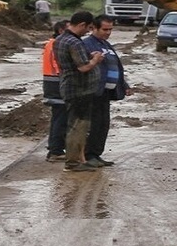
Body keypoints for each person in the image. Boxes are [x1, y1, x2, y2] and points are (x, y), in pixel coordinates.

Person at [53, 10, 104, 173]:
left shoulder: (60, 39)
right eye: (88, 28)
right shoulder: (74, 42)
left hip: (69, 87)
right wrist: (95, 60)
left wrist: (89, 55)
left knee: (76, 124)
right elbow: (83, 67)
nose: (88, 32)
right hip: (79, 90)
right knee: (78, 126)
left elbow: (74, 60)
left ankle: (78, 159)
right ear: (81, 24)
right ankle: (73, 162)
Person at [82, 15, 131, 167]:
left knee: (103, 124)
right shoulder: (87, 44)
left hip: (106, 93)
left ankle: (96, 154)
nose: (108, 32)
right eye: (105, 29)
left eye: (110, 29)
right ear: (93, 28)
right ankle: (88, 155)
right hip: (93, 91)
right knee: (94, 124)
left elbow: (115, 66)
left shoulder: (106, 44)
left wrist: (124, 84)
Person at [41, 20, 69, 162]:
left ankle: (55, 148)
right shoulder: (57, 44)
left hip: (52, 83)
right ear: (60, 31)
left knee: (58, 117)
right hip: (57, 84)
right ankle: (56, 150)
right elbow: (59, 66)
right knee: (61, 118)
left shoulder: (51, 43)